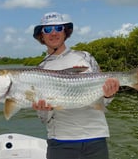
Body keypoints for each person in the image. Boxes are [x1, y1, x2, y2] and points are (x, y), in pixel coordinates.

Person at [32, 12, 120, 159]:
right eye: (47, 29)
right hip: (60, 141)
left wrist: (108, 94)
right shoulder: (39, 69)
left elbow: (105, 101)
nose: (53, 33)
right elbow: (43, 118)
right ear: (41, 36)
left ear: (65, 32)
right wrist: (42, 110)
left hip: (96, 137)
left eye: (58, 28)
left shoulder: (86, 57)